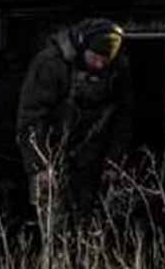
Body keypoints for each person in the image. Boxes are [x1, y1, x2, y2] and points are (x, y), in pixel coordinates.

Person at [14, 17, 133, 231]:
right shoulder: (51, 64)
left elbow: (122, 118)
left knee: (89, 227)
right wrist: (39, 167)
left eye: (104, 61)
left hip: (89, 160)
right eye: (95, 58)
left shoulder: (117, 69)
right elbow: (31, 118)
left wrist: (114, 161)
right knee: (54, 228)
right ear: (81, 45)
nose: (98, 65)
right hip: (49, 158)